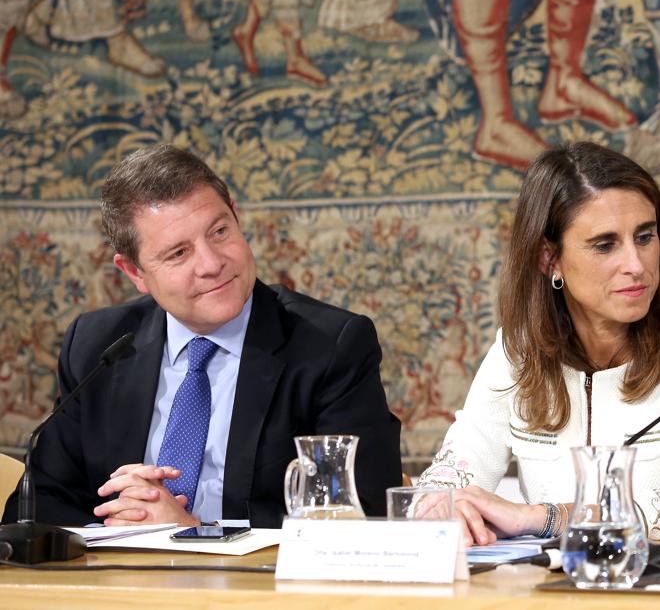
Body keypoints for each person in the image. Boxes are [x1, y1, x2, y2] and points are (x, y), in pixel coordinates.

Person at [2, 145, 402, 528]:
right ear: (135, 273)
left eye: (219, 231)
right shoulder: (96, 344)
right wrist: (128, 520)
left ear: (237, 219)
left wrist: (196, 529)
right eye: (178, 253)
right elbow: (40, 505)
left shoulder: (330, 345)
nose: (212, 264)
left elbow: (360, 512)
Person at [416, 141, 660, 544]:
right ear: (548, 258)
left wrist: (543, 518)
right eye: (605, 245)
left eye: (645, 237)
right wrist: (449, 507)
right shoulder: (517, 352)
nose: (636, 265)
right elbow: (445, 481)